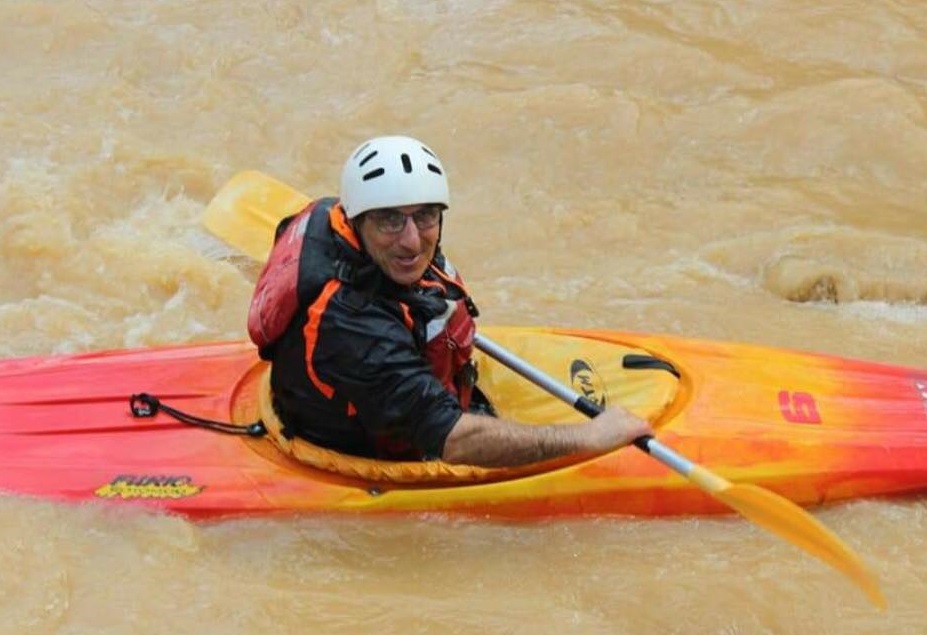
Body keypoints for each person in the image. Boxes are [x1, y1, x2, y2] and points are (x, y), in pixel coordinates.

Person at [247, 135, 653, 467]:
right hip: (364, 445)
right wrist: (591, 437)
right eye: (390, 220)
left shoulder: (324, 216)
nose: (411, 241)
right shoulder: (355, 331)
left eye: (425, 216)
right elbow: (453, 441)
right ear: (357, 219)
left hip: (358, 383)